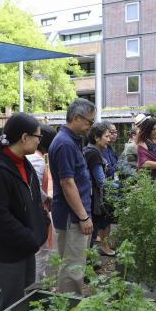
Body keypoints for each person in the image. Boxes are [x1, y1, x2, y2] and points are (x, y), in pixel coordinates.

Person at [0, 113, 50, 311]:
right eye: (38, 137)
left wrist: (42, 224)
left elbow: (34, 200)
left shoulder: (24, 163)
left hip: (24, 248)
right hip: (4, 254)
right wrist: (31, 238)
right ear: (25, 137)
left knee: (23, 301)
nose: (40, 141)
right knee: (10, 305)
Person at [48, 98, 95, 295]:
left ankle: (69, 301)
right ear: (76, 118)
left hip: (73, 213)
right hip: (73, 216)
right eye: (89, 122)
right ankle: (69, 303)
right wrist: (83, 216)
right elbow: (67, 183)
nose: (90, 127)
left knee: (73, 263)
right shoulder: (66, 143)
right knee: (73, 268)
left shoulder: (69, 140)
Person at [26, 124, 57, 283]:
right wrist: (47, 199)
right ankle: (38, 284)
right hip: (37, 211)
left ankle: (37, 282)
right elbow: (35, 188)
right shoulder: (37, 160)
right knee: (41, 250)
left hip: (29, 210)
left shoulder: (30, 157)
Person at [84, 122, 116, 256]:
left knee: (90, 236)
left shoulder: (90, 150)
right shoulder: (94, 153)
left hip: (90, 198)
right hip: (94, 200)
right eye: (107, 136)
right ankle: (88, 267)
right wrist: (124, 187)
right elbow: (102, 181)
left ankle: (88, 265)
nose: (109, 139)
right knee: (90, 236)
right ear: (97, 138)